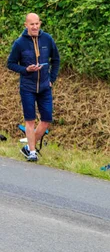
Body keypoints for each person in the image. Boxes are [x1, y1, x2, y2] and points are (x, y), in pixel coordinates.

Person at [7, 13, 60, 162]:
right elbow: (10, 63)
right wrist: (26, 70)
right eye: (32, 24)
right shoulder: (19, 43)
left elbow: (56, 60)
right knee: (30, 120)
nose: (35, 27)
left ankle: (28, 146)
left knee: (46, 120)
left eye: (37, 23)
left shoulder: (47, 39)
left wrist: (52, 79)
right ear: (26, 25)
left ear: (40, 23)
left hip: (44, 87)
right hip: (27, 87)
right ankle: (32, 152)